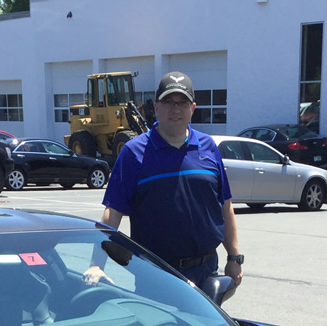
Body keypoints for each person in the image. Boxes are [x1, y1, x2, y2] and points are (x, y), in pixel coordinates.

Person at [84, 71, 243, 294]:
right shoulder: (133, 153)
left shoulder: (208, 148)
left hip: (206, 272)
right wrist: (95, 264)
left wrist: (234, 257)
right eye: (168, 101)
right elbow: (112, 214)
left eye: (182, 102)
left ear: (192, 108)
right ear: (156, 107)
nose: (175, 109)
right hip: (155, 273)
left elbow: (225, 205)